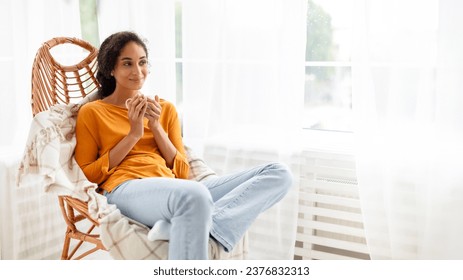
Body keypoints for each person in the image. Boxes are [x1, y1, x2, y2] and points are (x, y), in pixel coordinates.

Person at [75, 31, 293, 260]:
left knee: (279, 174)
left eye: (142, 63)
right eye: (127, 64)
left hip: (173, 188)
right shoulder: (93, 112)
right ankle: (195, 220)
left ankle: (205, 223)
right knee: (195, 195)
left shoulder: (164, 109)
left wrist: (156, 127)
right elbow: (90, 175)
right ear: (111, 69)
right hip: (125, 188)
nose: (138, 72)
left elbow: (181, 171)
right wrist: (133, 134)